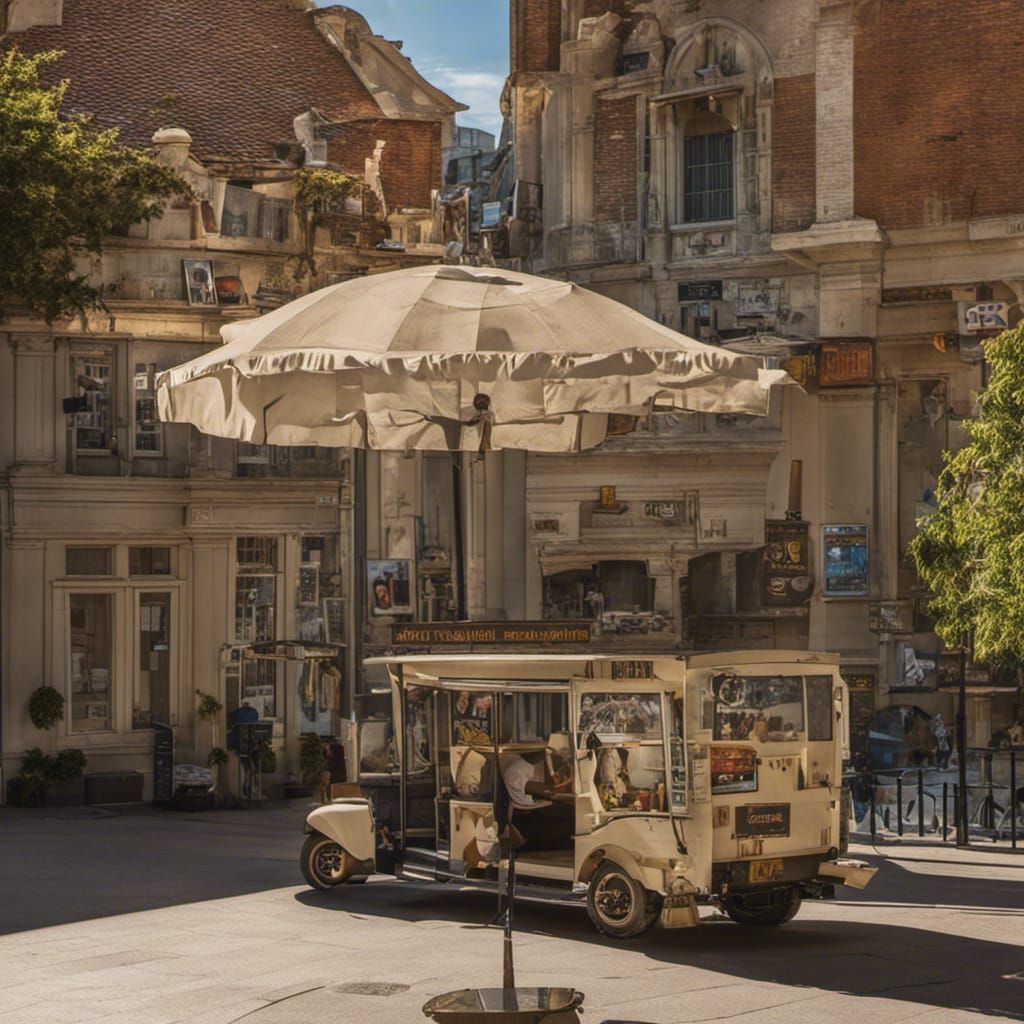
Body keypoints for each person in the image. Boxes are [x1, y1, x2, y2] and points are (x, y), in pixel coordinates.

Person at [499, 751, 573, 851]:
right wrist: (570, 781)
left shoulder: (521, 766)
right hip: (523, 818)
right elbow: (551, 790)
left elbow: (550, 786)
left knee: (570, 816)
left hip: (529, 812)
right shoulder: (515, 773)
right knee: (573, 817)